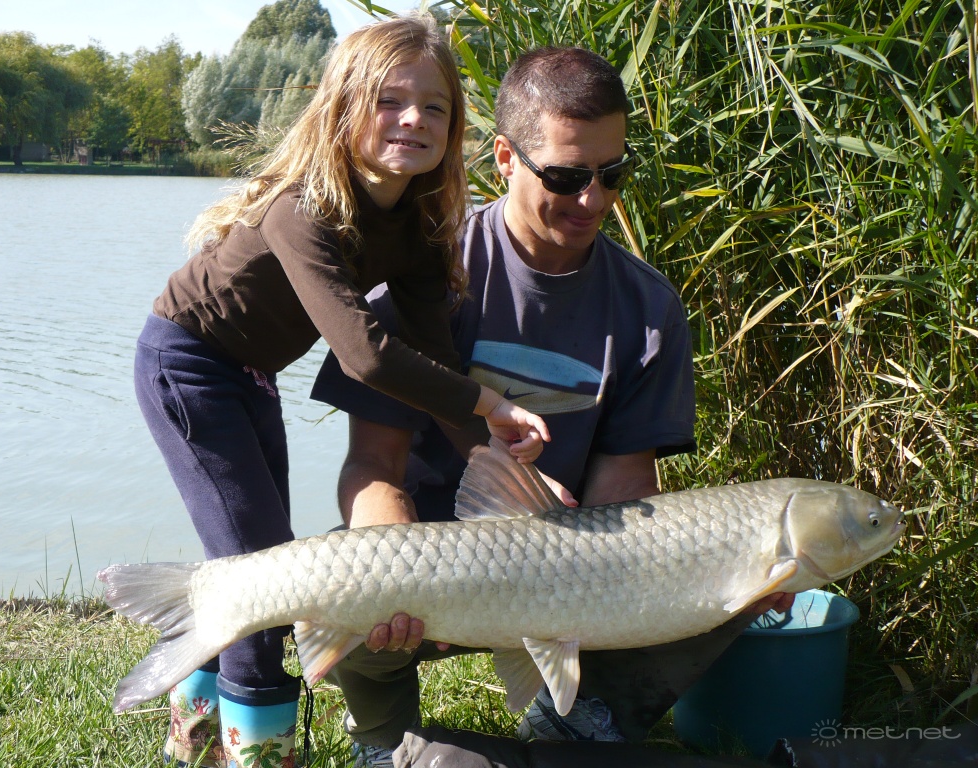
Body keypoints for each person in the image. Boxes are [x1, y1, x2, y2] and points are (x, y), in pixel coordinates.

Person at [310, 46, 795, 767]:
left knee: (734, 571)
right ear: (506, 159)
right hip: (435, 554)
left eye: (612, 174)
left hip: (569, 563)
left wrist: (715, 584)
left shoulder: (648, 308)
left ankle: (579, 715)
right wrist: (400, 580)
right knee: (356, 573)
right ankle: (384, 739)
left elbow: (625, 495)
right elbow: (373, 467)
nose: (592, 201)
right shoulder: (421, 278)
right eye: (566, 177)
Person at [132, 15, 550, 768]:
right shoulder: (301, 207)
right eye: (390, 101)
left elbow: (434, 363)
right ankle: (259, 756)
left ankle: (191, 735)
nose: (413, 119)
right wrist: (491, 406)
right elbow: (368, 357)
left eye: (434, 107)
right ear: (344, 108)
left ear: (453, 129)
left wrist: (500, 464)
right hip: (186, 365)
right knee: (264, 583)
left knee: (252, 555)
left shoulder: (416, 227)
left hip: (250, 376)